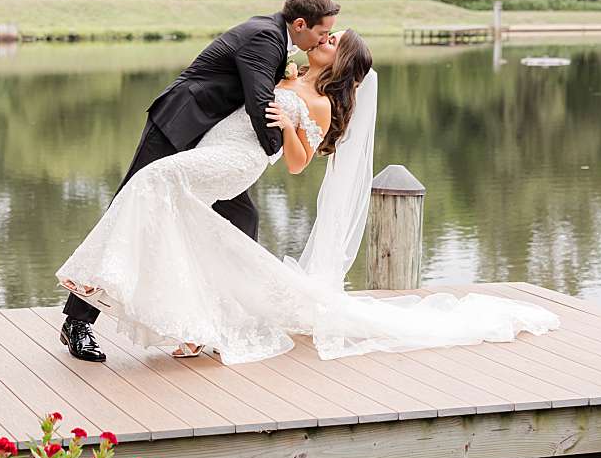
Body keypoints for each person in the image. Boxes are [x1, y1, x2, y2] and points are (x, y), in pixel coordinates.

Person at [57, 23, 560, 365]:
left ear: (340, 60)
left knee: (151, 184)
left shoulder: (319, 104)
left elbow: (298, 164)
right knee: (199, 223)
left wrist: (285, 126)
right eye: (325, 32)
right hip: (215, 143)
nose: (324, 38)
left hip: (237, 159)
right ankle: (187, 323)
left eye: (333, 38)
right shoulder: (288, 71)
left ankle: (97, 290)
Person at [56, 0, 340, 361]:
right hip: (181, 124)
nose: (324, 38)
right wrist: (270, 151)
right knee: (135, 200)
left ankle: (222, 318)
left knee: (242, 219)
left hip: (213, 141)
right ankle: (78, 321)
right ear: (301, 25)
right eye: (323, 32)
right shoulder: (265, 37)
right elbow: (259, 104)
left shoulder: (278, 41)